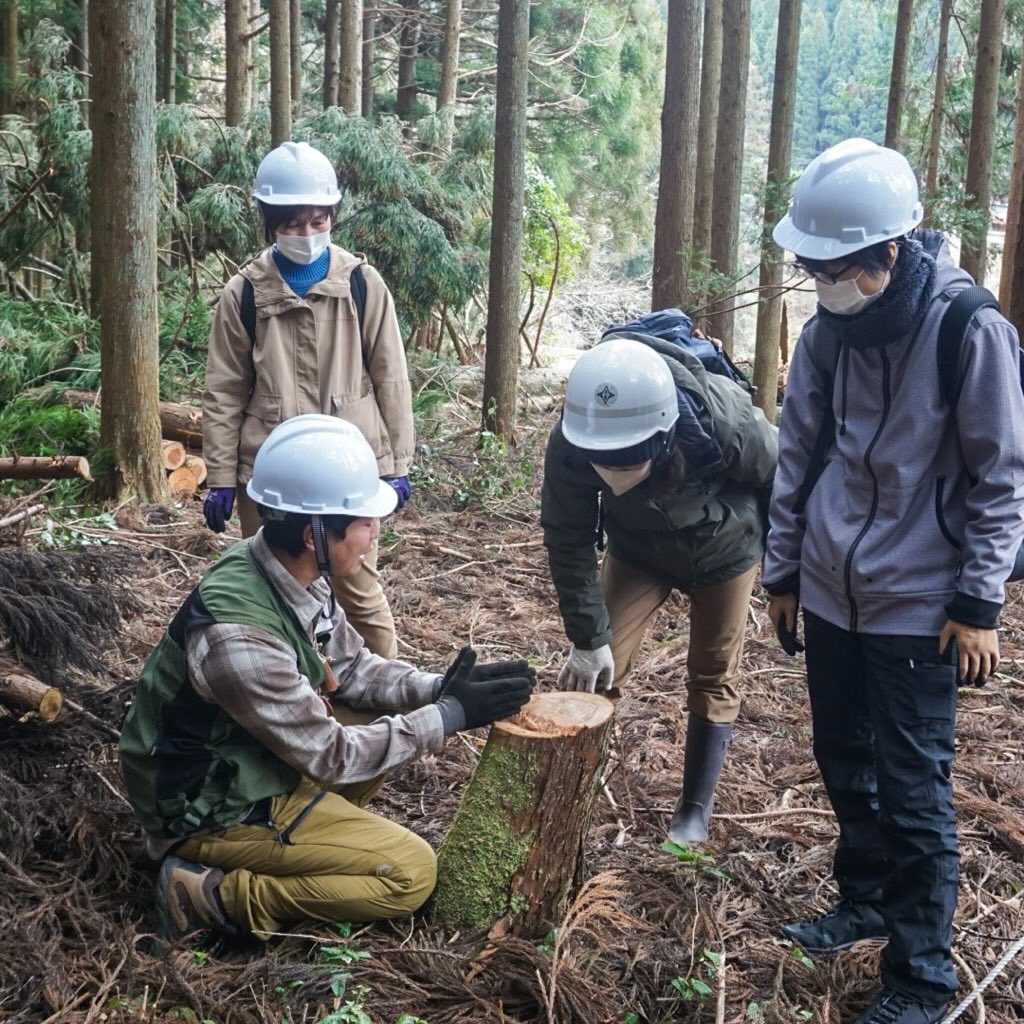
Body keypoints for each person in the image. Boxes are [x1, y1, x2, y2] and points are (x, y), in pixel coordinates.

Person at [764, 138, 1024, 1024]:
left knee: (916, 792)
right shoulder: (827, 334)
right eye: (811, 266)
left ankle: (921, 974)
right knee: (844, 758)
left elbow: (1001, 476)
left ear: (888, 251)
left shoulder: (967, 328)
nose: (820, 280)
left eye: (834, 266)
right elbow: (797, 454)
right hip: (833, 592)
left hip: (922, 605)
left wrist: (980, 600)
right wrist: (784, 571)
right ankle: (865, 899)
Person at [120, 415, 534, 941]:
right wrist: (449, 718)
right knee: (411, 873)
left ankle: (310, 841)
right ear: (317, 534)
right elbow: (333, 756)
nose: (375, 532)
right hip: (208, 808)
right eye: (363, 521)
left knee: (385, 715)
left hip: (248, 761)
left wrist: (436, 690)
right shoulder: (239, 638)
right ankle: (212, 896)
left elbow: (355, 669)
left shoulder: (289, 570)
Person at [540, 336, 777, 844]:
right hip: (638, 549)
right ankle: (562, 799)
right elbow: (568, 536)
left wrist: (784, 573)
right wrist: (587, 637)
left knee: (713, 671)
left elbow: (783, 479)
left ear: (662, 438)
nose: (611, 469)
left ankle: (694, 808)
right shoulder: (574, 435)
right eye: (602, 460)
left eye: (626, 460)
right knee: (599, 668)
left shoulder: (722, 420)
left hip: (726, 545)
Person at [201, 140, 414, 658]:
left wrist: (397, 464)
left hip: (351, 468)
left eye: (318, 220)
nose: (307, 234)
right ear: (271, 221)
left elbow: (391, 376)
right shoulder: (245, 293)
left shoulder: (362, 284)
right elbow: (225, 389)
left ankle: (384, 690)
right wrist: (223, 477)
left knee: (356, 589)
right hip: (271, 473)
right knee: (277, 591)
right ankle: (294, 700)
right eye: (293, 224)